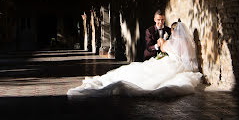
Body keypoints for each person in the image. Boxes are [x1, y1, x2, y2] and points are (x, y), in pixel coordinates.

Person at [67, 21, 202, 98]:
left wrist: (162, 42)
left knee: (147, 72)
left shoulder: (173, 42)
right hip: (185, 66)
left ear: (174, 31)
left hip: (173, 63)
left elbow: (163, 48)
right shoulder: (189, 43)